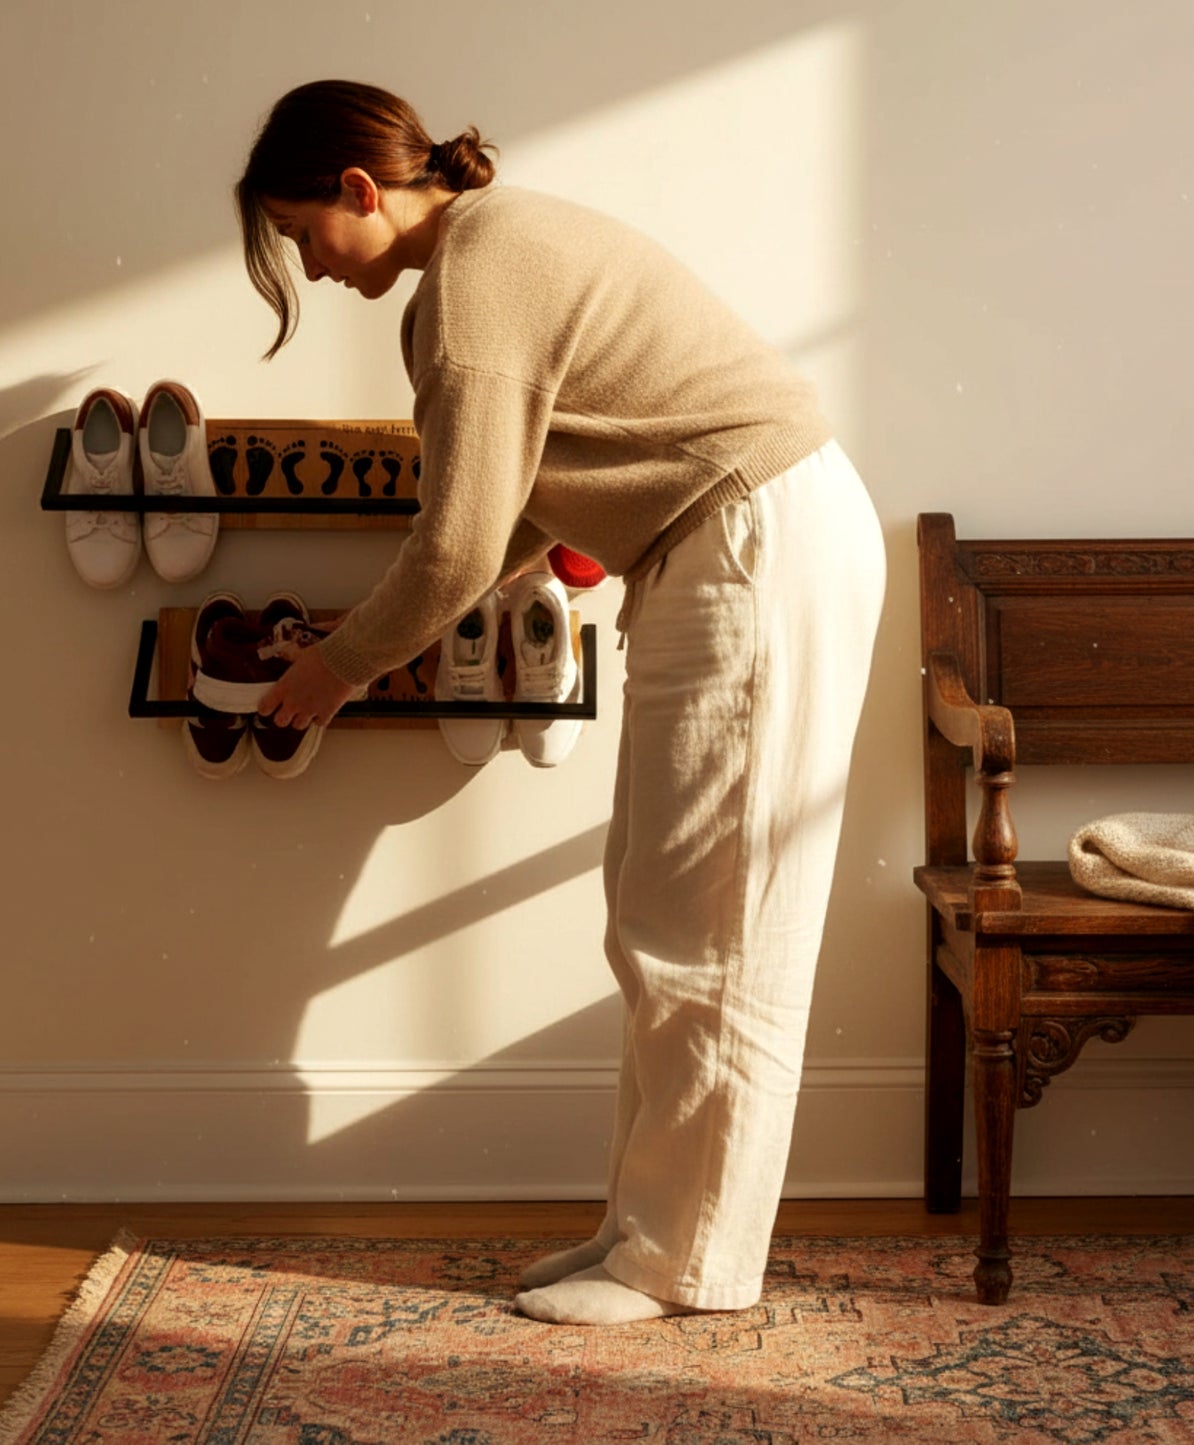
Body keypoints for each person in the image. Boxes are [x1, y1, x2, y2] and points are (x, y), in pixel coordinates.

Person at [237, 79, 886, 1326]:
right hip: (736, 538)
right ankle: (639, 1232)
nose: (307, 268)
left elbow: (454, 544)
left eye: (300, 231)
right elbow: (512, 516)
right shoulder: (488, 254)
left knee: (714, 925)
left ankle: (683, 1262)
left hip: (748, 537)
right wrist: (394, 625)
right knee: (661, 909)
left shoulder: (475, 282)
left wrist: (333, 668)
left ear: (361, 192)